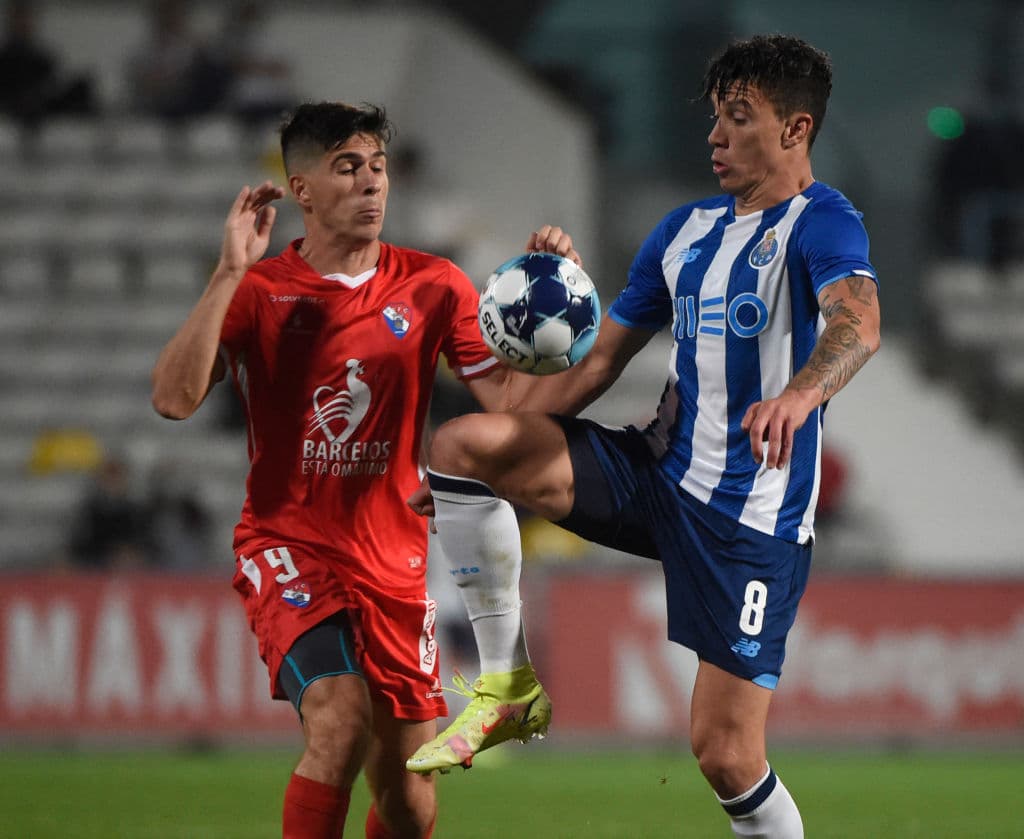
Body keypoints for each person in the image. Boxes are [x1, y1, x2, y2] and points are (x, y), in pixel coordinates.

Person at [405, 35, 881, 839]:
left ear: (797, 130)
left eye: (739, 118)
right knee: (460, 445)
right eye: (714, 118)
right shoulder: (684, 231)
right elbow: (591, 368)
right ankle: (508, 686)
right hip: (654, 475)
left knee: (725, 753)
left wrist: (799, 397)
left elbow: (858, 322)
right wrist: (547, 311)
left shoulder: (821, 221)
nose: (715, 136)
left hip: (747, 520)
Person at [150, 102, 550, 839]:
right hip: (289, 540)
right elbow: (172, 398)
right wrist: (227, 272)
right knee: (337, 723)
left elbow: (514, 409)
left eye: (378, 166)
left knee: (409, 801)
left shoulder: (434, 285)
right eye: (347, 167)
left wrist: (547, 307)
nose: (372, 183)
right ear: (301, 188)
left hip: (395, 559)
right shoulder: (261, 291)